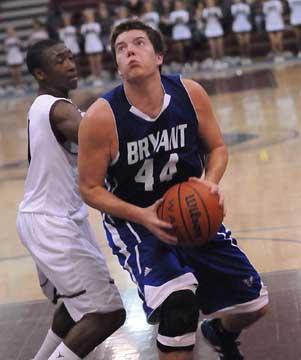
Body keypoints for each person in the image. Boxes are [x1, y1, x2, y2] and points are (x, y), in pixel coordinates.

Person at [78, 19, 269, 360]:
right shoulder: (101, 117)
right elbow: (90, 188)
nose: (130, 51)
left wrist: (208, 185)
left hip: (190, 212)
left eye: (138, 43)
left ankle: (220, 333)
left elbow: (218, 148)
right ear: (117, 64)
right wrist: (143, 216)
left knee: (255, 304)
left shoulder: (189, 93)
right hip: (136, 224)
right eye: (121, 49)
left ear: (159, 56)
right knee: (180, 305)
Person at [16, 39, 125, 360]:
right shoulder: (58, 108)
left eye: (70, 57)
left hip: (53, 218)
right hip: (53, 223)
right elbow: (102, 139)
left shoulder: (51, 106)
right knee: (108, 313)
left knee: (76, 307)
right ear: (40, 72)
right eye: (59, 59)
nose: (69, 63)